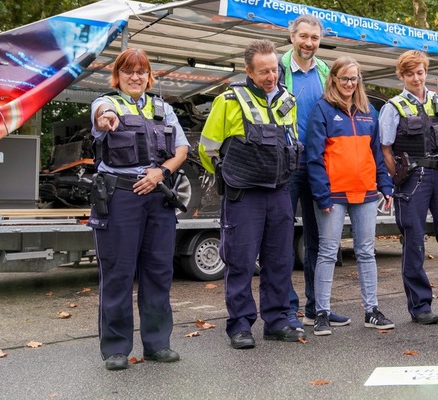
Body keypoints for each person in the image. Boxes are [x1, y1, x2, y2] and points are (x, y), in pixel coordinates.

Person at [198, 39, 305, 349]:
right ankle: (240, 325)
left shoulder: (288, 100)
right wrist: (229, 175)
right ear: (248, 71)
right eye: (263, 72)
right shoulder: (229, 101)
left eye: (274, 70)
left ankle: (277, 321)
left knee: (280, 260)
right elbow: (207, 149)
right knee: (241, 261)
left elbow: (290, 142)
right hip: (243, 194)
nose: (271, 77)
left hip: (279, 192)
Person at [88, 48, 188, 370]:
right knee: (118, 272)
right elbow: (101, 114)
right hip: (120, 196)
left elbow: (181, 149)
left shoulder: (163, 109)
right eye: (128, 71)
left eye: (141, 71)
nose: (135, 77)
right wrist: (105, 117)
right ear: (117, 76)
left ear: (149, 76)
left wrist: (162, 172)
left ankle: (158, 344)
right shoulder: (107, 103)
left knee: (159, 271)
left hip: (158, 195)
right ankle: (116, 349)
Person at [306, 56, 395, 335]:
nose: (349, 83)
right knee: (328, 252)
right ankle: (321, 313)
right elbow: (314, 156)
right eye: (344, 78)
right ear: (333, 79)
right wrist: (321, 194)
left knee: (366, 252)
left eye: (354, 78)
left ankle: (372, 311)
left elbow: (376, 153)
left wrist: (385, 185)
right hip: (333, 194)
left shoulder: (369, 111)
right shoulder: (322, 109)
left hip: (366, 191)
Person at [378, 50, 438, 325]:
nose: (416, 78)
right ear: (401, 76)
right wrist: (397, 176)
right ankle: (420, 306)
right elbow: (385, 148)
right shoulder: (393, 107)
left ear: (426, 72)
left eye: (420, 72)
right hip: (412, 178)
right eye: (410, 74)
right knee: (414, 240)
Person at [279, 14, 351, 330]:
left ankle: (316, 307)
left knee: (319, 240)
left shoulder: (325, 71)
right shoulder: (277, 69)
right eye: (304, 36)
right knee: (282, 238)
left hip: (320, 164)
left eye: (315, 38)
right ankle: (286, 310)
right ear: (292, 36)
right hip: (287, 163)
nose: (309, 43)